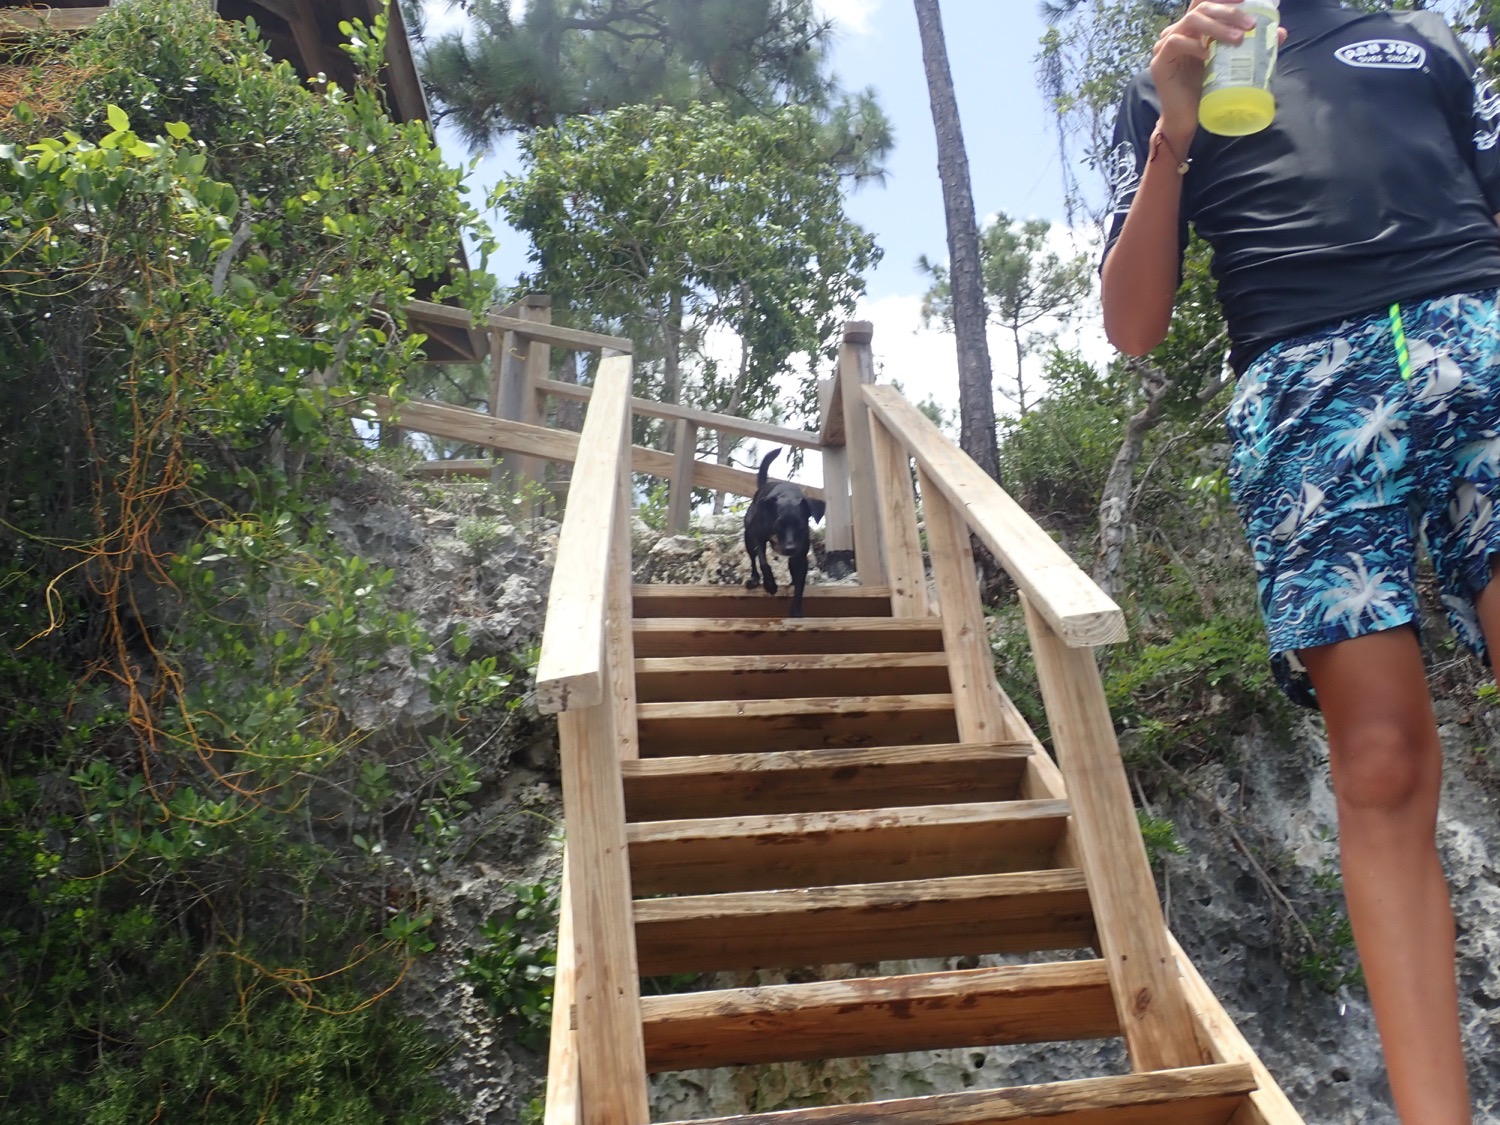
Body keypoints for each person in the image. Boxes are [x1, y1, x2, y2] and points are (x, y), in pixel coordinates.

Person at [1101, 0, 1500, 1119]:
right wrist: (1173, 134)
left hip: (1477, 338)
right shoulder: (1163, 84)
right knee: (1379, 762)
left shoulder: (1420, 41)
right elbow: (1132, 326)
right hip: (1301, 381)